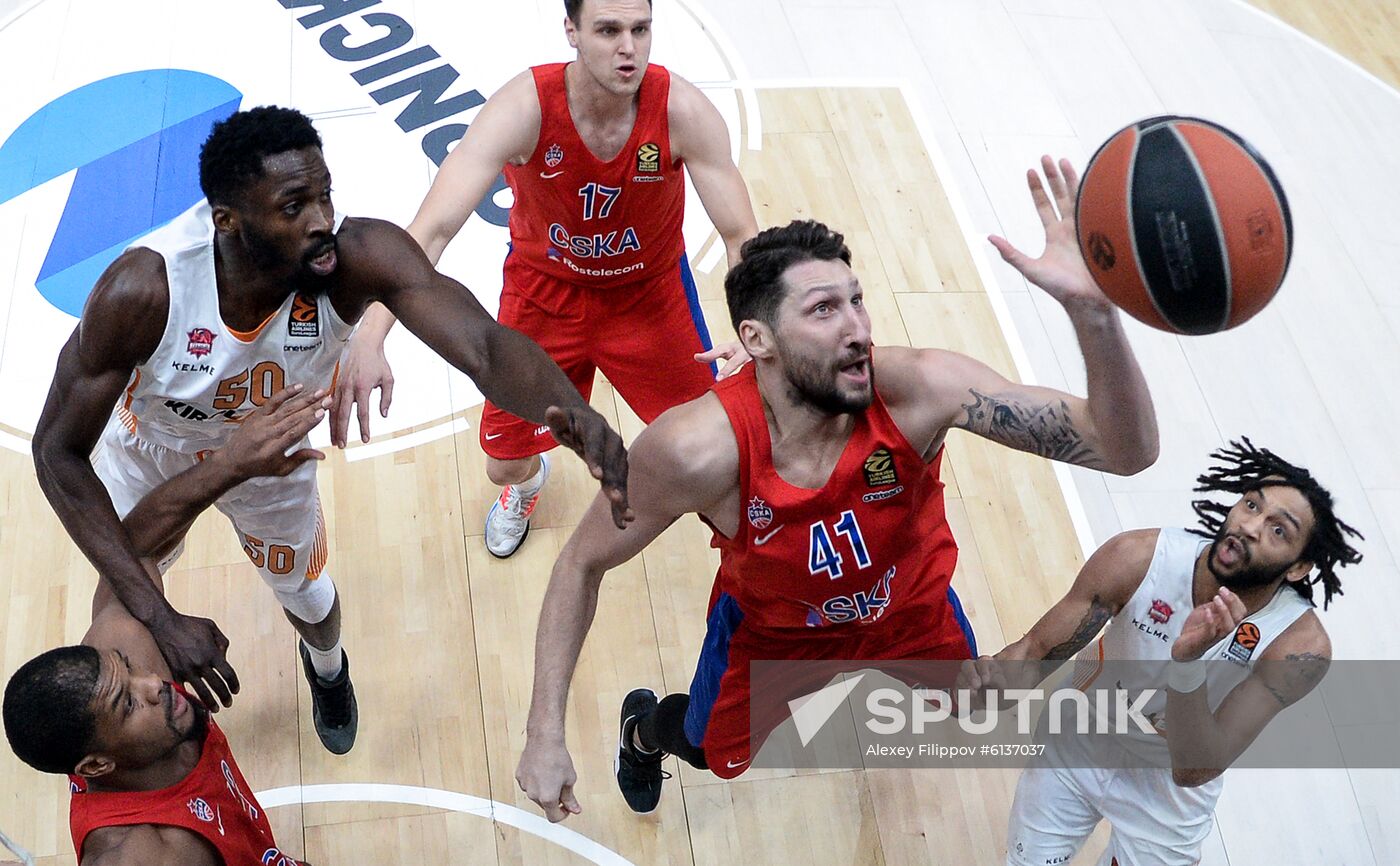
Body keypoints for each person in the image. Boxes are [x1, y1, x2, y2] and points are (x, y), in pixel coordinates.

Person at [513, 156, 1162, 822]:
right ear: (756, 339)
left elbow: (1127, 452)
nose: (857, 328)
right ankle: (643, 731)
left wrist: (1095, 318)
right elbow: (582, 562)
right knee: (709, 752)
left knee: (977, 700)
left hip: (907, 609)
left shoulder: (919, 390)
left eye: (857, 300)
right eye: (824, 310)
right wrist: (544, 730)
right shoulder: (695, 449)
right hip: (774, 633)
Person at [31, 106, 631, 757]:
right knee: (122, 614)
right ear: (226, 220)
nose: (321, 220)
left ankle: (328, 668)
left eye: (324, 195)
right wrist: (160, 615)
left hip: (275, 460)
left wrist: (572, 412)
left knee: (309, 597)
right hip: (152, 453)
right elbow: (56, 451)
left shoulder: (357, 256)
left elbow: (484, 347)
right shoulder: (145, 289)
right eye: (294, 207)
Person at [333, 0, 759, 558]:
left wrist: (761, 332)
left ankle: (761, 558)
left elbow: (741, 236)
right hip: (544, 297)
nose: (628, 47)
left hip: (650, 299)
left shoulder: (683, 111)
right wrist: (368, 335)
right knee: (503, 463)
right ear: (572, 33)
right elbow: (432, 230)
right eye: (608, 30)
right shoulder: (523, 108)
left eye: (640, 30)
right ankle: (528, 485)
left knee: (717, 449)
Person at [962, 439, 1362, 866]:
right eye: (1250, 505)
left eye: (1278, 529)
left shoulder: (1298, 647)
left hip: (1169, 794)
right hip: (1078, 742)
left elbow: (1194, 769)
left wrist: (1187, 664)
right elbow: (1036, 651)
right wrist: (991, 686)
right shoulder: (1136, 558)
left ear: (1299, 567)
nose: (1250, 526)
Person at [5, 385, 334, 866]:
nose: (153, 683)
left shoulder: (127, 649)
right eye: (127, 701)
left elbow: (133, 550)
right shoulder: (140, 849)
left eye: (126, 670)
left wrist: (230, 464)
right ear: (96, 765)